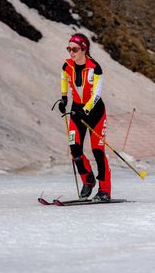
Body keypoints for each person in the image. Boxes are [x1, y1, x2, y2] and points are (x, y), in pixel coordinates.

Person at [58, 33, 111, 201]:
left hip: (95, 113)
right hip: (76, 111)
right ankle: (87, 180)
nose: (71, 52)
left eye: (74, 49)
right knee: (75, 149)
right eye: (69, 49)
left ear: (84, 49)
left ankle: (104, 189)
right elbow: (63, 79)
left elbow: (96, 94)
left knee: (97, 151)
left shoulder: (95, 68)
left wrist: (86, 110)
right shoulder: (67, 65)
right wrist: (64, 98)